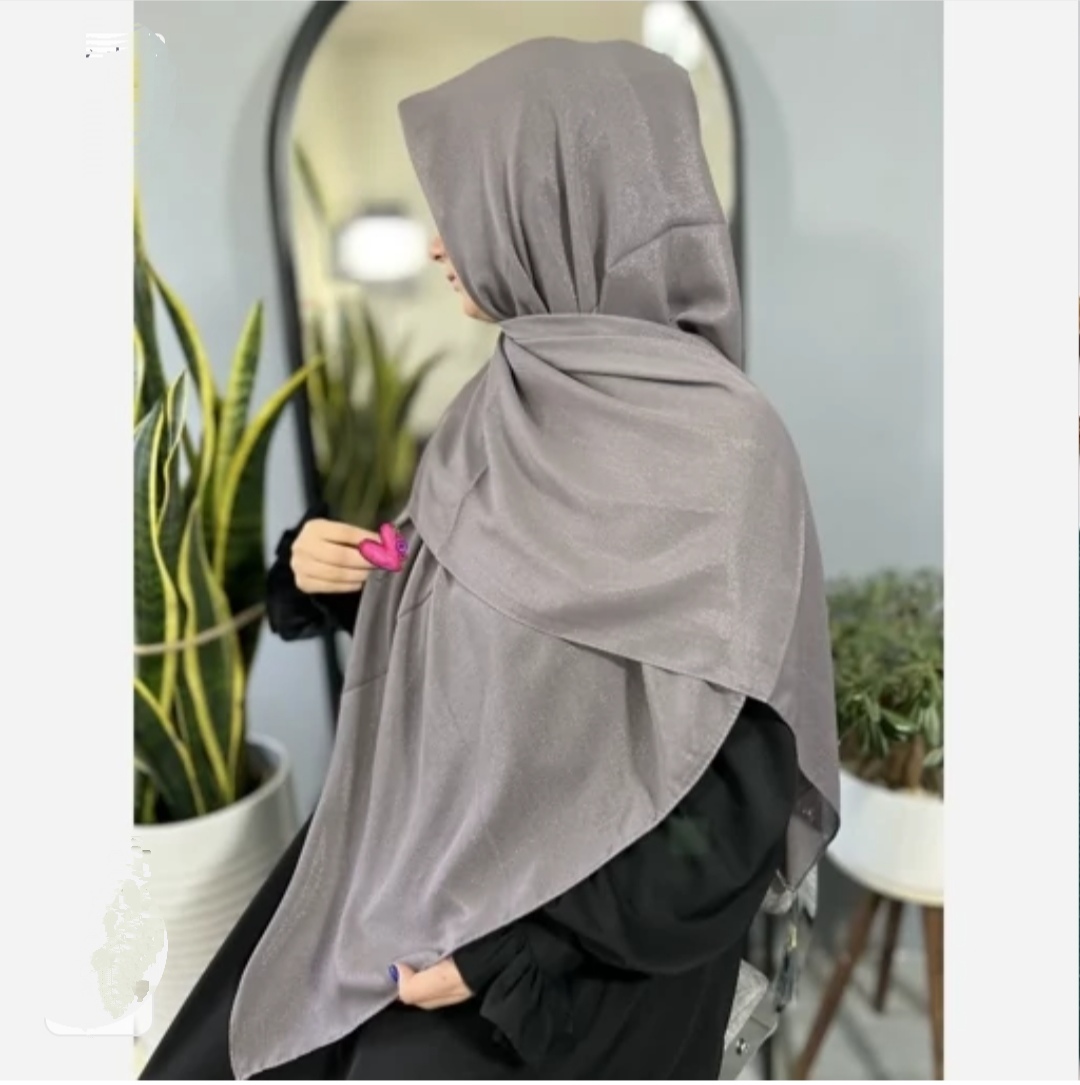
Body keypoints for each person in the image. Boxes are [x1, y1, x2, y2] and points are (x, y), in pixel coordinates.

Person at [141, 37, 839, 1081]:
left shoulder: (731, 454)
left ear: (560, 211)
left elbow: (735, 803)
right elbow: (478, 613)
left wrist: (516, 945)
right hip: (440, 864)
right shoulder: (500, 405)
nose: (437, 243)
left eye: (467, 203)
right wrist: (330, 572)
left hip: (593, 957)